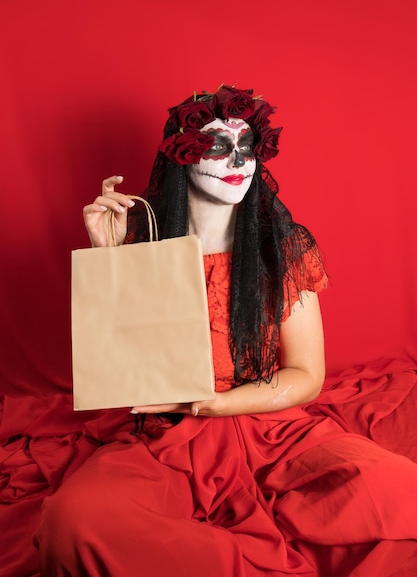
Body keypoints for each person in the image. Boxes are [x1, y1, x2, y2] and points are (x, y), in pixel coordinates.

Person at [35, 85, 417, 576]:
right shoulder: (141, 239)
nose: (237, 159)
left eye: (248, 147)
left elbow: (306, 375)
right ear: (183, 156)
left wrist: (214, 403)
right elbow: (124, 369)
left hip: (273, 432)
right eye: (217, 145)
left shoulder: (283, 247)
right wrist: (109, 258)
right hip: (165, 440)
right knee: (76, 524)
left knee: (398, 490)